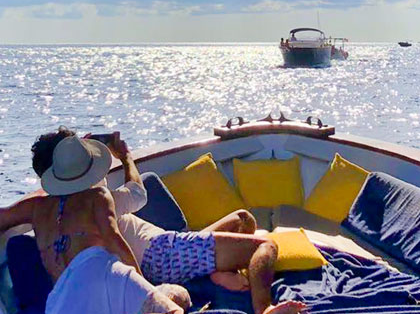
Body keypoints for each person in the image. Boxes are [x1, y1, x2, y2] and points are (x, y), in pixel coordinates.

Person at [29, 128, 307, 314]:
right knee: (265, 247)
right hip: (161, 251)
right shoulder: (96, 200)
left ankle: (213, 271)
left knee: (242, 219)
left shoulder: (50, 212)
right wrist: (124, 156)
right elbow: (138, 193)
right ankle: (265, 309)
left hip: (164, 249)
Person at [0, 133, 184, 314]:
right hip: (105, 281)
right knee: (177, 300)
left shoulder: (36, 208)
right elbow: (116, 235)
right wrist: (142, 284)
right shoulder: (98, 197)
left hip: (62, 300)